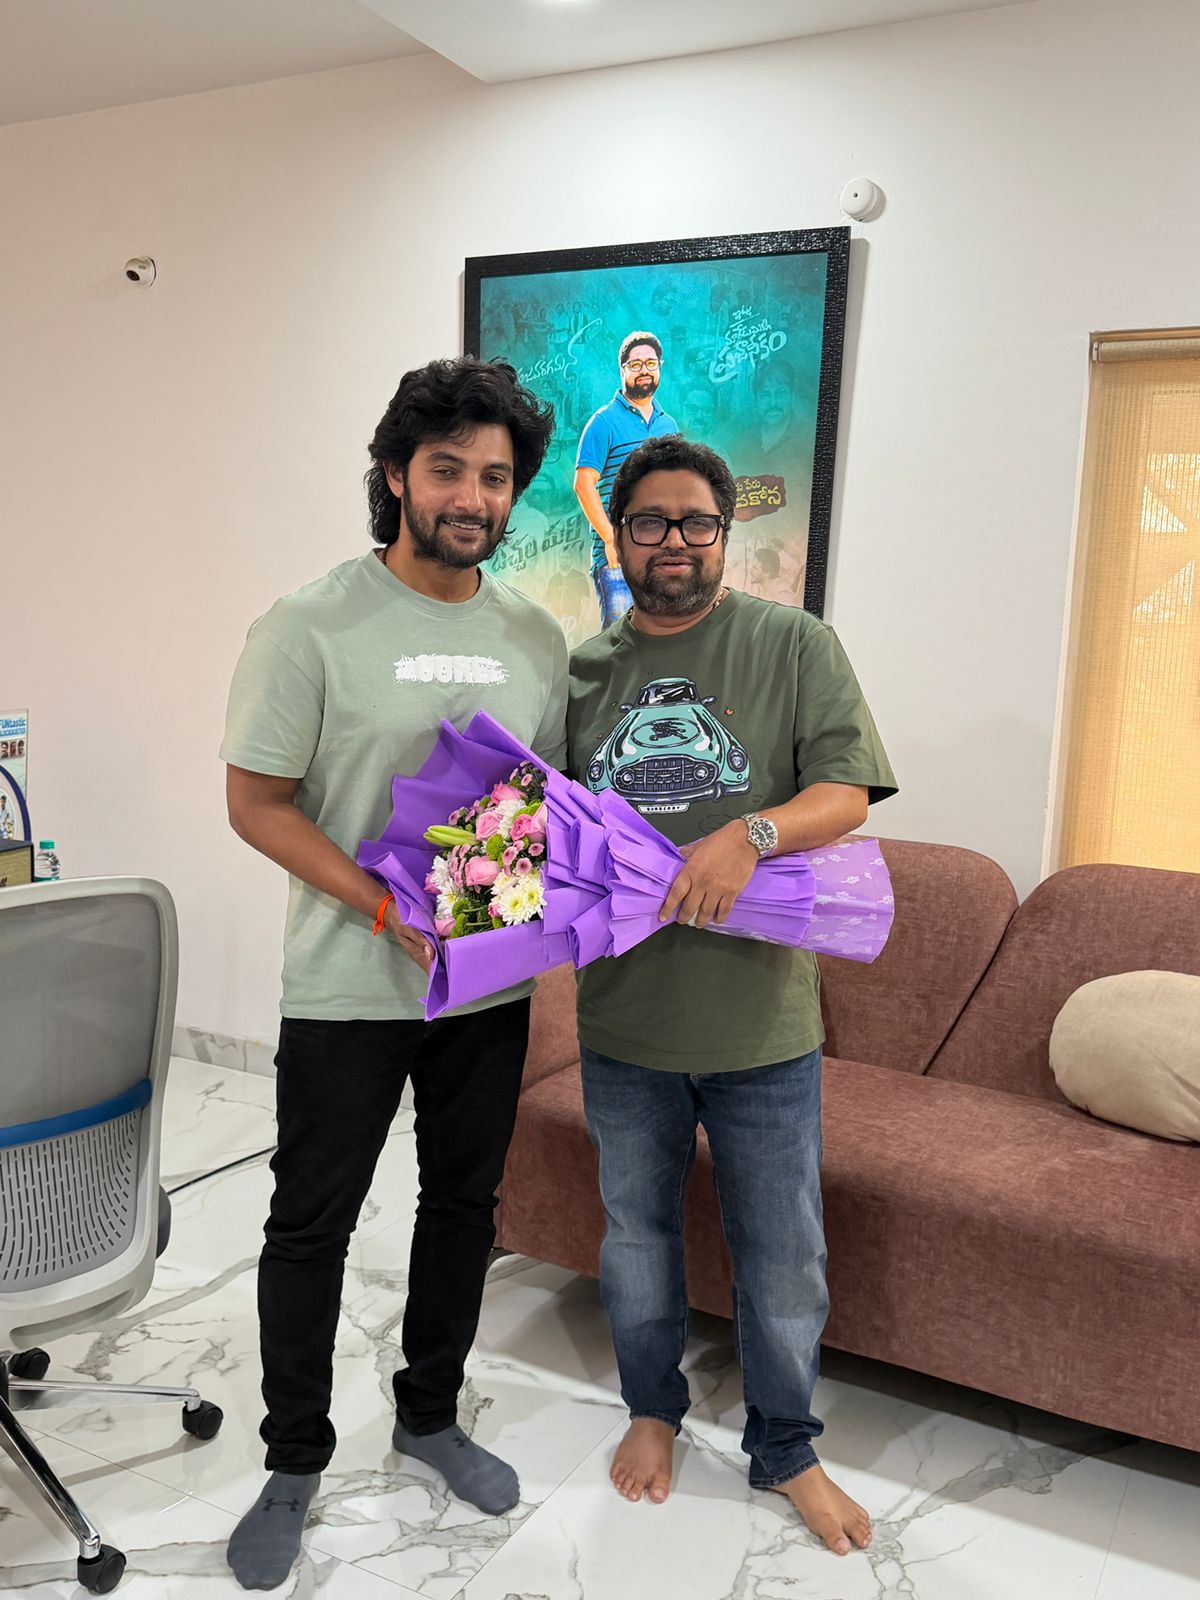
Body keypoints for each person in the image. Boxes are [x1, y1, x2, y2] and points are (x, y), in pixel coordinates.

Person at [219, 357, 567, 1590]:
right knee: (310, 1221)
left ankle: (429, 1415)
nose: (473, 496)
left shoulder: (536, 636)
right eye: (448, 469)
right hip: (347, 987)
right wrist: (380, 904)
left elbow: (537, 800)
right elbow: (256, 801)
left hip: (485, 988)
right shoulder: (308, 624)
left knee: (464, 1208)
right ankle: (294, 1455)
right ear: (396, 476)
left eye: (496, 476)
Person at [566, 434, 897, 1556]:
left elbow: (845, 792)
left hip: (763, 1021)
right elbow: (544, 822)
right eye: (650, 521)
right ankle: (652, 1409)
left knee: (784, 1252)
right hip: (623, 1019)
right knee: (637, 1236)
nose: (675, 540)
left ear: (725, 533)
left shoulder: (792, 643)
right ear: (619, 534)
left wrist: (747, 834)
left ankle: (787, 1446)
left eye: (696, 521)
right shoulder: (581, 672)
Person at [574, 330, 680, 628]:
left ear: (660, 367)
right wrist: (611, 539)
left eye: (651, 363)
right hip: (617, 560)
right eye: (635, 364)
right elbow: (583, 485)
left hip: (660, 558)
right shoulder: (603, 422)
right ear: (622, 370)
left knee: (660, 640)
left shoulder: (669, 425)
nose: (644, 370)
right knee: (622, 643)